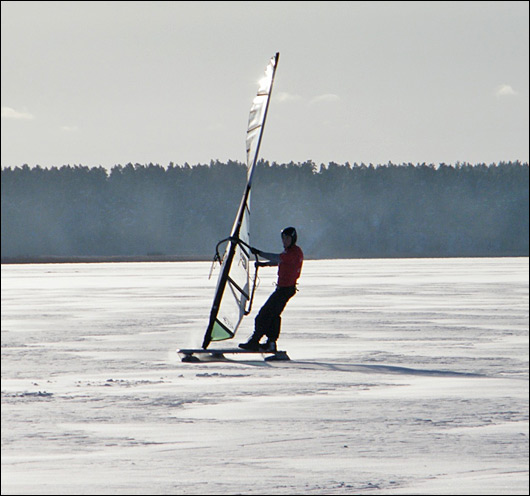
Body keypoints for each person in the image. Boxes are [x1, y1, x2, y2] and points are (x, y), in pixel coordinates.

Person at [239, 226, 304, 352]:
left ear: (293, 239)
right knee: (273, 316)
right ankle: (271, 343)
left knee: (264, 315)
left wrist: (260, 253)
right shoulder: (290, 252)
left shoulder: (294, 252)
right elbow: (280, 262)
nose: (284, 241)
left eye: (287, 238)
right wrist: (263, 264)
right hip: (283, 290)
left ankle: (255, 341)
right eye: (283, 238)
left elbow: (278, 258)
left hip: (285, 290)